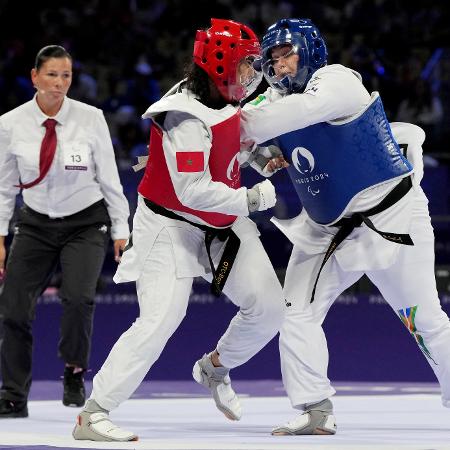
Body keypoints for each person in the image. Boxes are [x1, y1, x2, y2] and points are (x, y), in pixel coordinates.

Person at [72, 18, 285, 442]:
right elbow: (193, 191)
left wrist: (255, 158)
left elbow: (229, 146)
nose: (252, 74)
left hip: (220, 224)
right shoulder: (183, 117)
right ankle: (93, 414)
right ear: (221, 65)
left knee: (269, 307)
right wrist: (250, 200)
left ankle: (214, 368)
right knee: (161, 318)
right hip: (170, 224)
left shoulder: (226, 96)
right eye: (245, 65)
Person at [240, 18, 450, 435]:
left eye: (288, 55)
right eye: (274, 60)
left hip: (390, 218)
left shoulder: (337, 81)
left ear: (310, 51)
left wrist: (233, 122)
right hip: (327, 231)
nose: (281, 67)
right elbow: (248, 141)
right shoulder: (271, 99)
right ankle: (315, 408)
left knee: (425, 320)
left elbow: (284, 116)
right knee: (295, 311)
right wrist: (260, 157)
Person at [0, 45, 130, 418]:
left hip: (86, 223)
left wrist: (121, 230)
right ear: (35, 77)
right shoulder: (10, 124)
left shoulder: (91, 118)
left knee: (77, 299)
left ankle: (74, 370)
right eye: (53, 75)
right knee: (12, 309)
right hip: (35, 223)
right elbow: (4, 186)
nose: (60, 83)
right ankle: (12, 394)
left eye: (67, 75)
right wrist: (0, 239)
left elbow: (109, 177)